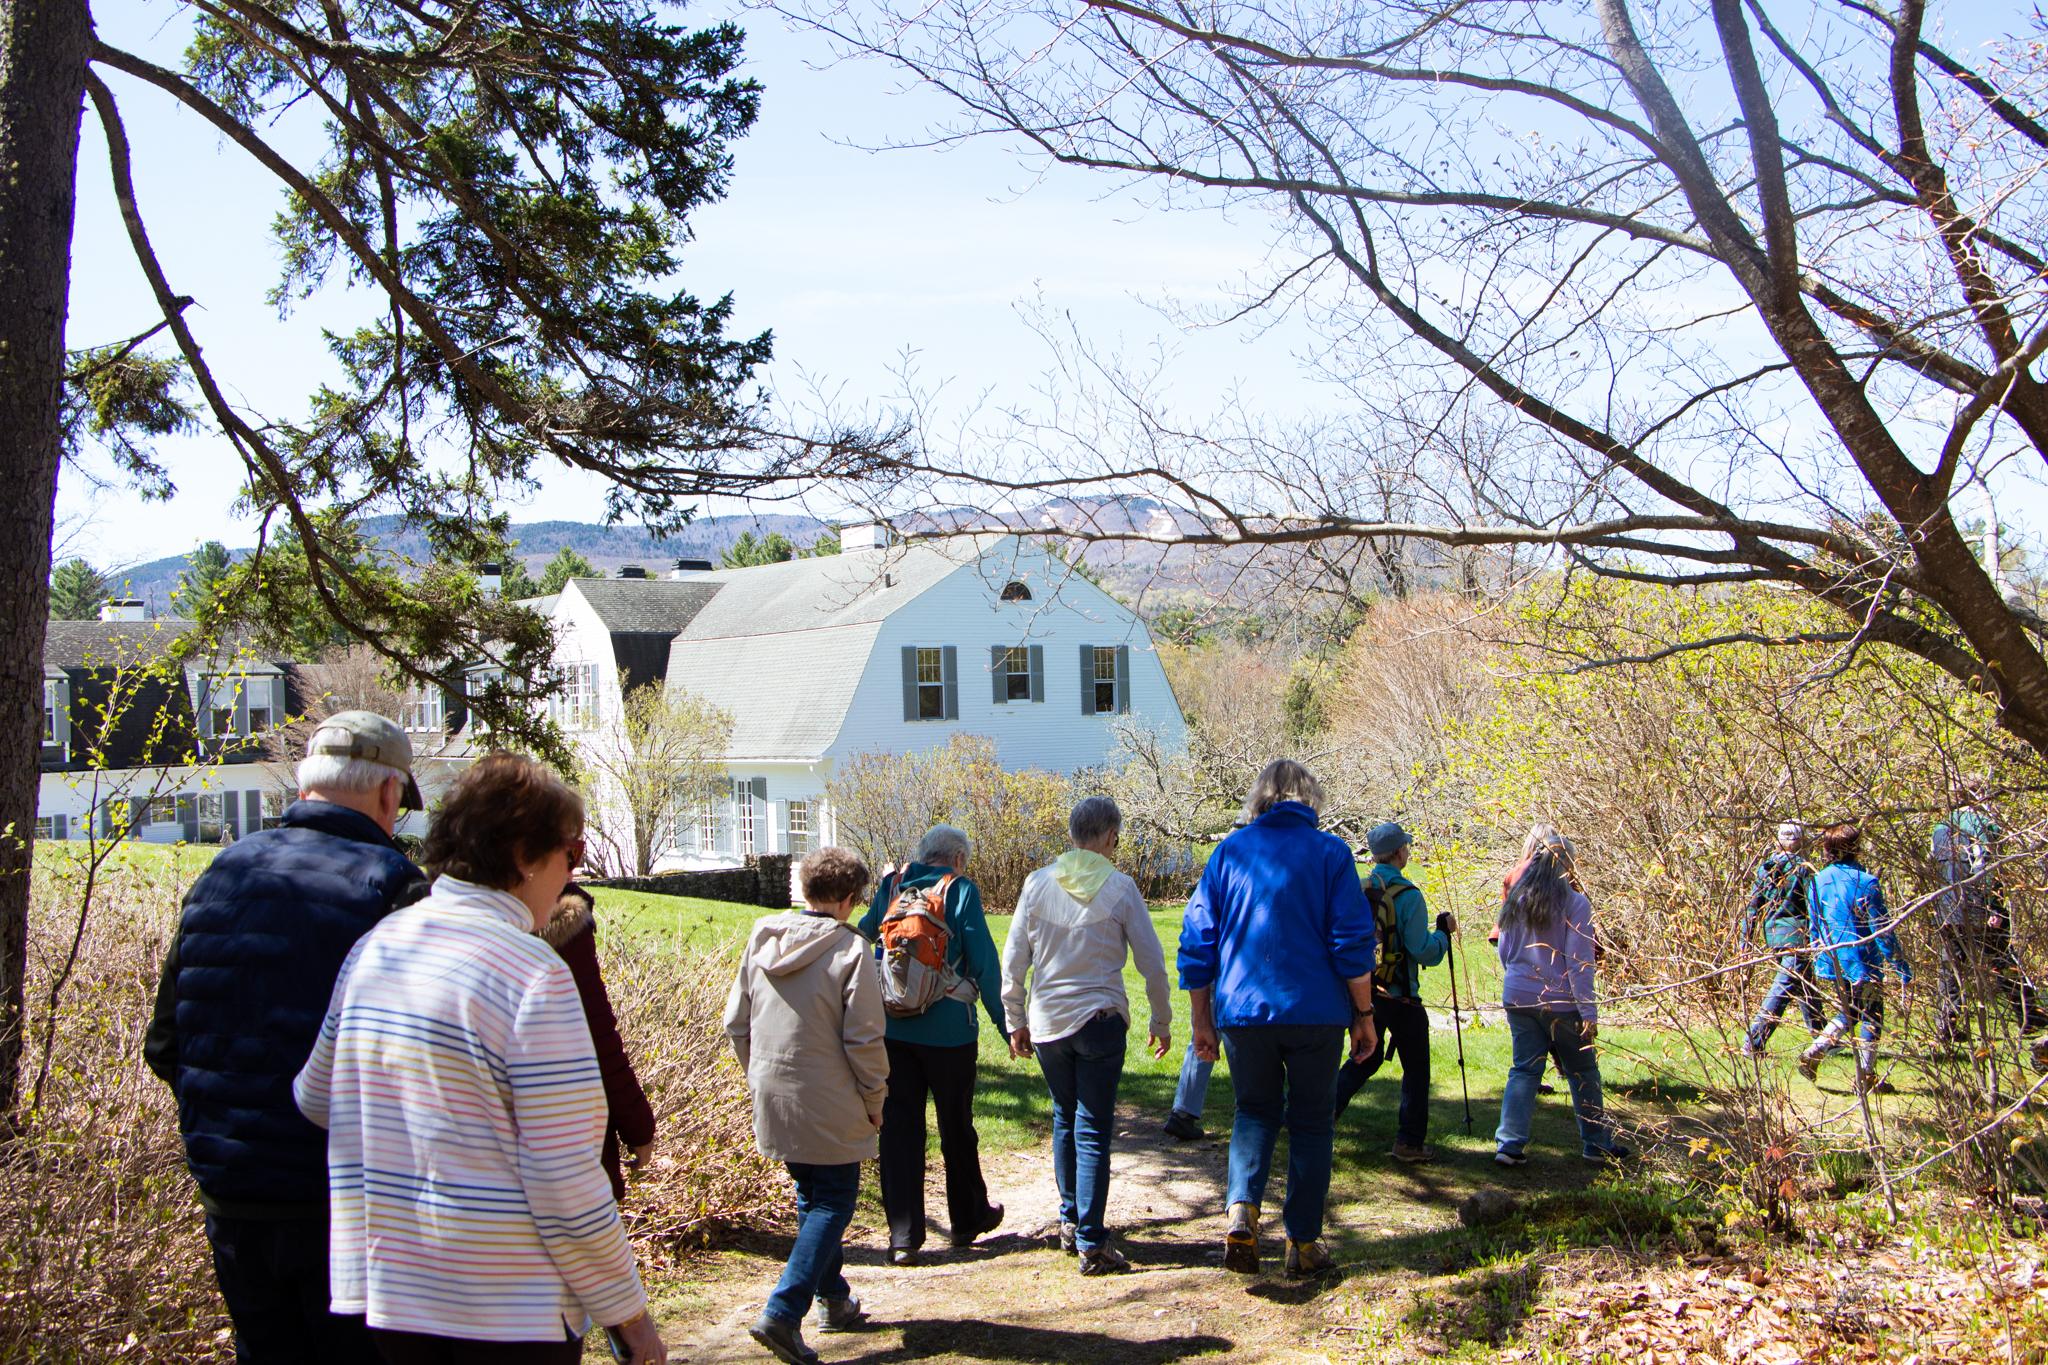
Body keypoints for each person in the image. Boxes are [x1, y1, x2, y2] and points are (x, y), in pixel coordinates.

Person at [293, 753, 666, 1365]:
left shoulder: (377, 946)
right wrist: (630, 1318)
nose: (572, 874)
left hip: (390, 1294)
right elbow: (567, 1181)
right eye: (570, 855)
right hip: (506, 1311)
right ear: (524, 855)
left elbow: (316, 1098)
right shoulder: (532, 973)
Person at [144, 711, 430, 1364]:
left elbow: (164, 1045)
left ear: (306, 786)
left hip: (231, 1185)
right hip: (345, 1203)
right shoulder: (394, 889)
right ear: (390, 794)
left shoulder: (219, 875)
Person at [1177, 759, 1376, 1279]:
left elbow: (1197, 941)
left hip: (1243, 1011)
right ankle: (1303, 1242)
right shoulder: (1332, 854)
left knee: (1255, 1112)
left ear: (1259, 800)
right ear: (1310, 800)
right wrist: (1365, 1014)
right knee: (1311, 1123)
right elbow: (1352, 943)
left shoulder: (1229, 853)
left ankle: (1242, 1209)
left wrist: (1203, 1019)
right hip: (1316, 1013)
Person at [725, 847, 890, 1365]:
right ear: (846, 900)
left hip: (775, 1089)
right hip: (831, 1095)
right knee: (833, 1201)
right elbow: (864, 1040)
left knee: (810, 1194)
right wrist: (875, 1099)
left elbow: (737, 1021)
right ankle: (783, 1310)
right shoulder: (851, 951)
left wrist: (758, 1075)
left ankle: (833, 1298)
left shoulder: (762, 938)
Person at [1001, 796, 1173, 1274]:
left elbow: (1014, 959)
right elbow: (1152, 962)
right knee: (1093, 1126)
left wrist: (1015, 1018)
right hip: (1098, 1017)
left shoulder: (1037, 884)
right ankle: (1092, 1242)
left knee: (1064, 1116)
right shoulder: (1119, 887)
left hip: (1050, 1021)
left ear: (1073, 834)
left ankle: (1070, 1221)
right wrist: (1161, 1020)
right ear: (1110, 836)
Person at [857, 824, 1008, 1265]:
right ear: (958, 860)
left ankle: (903, 1237)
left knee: (899, 1131)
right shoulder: (960, 890)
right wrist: (1007, 1025)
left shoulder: (892, 885)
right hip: (950, 1035)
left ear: (923, 854)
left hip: (894, 1032)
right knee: (956, 1126)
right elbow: (983, 963)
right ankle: (967, 1219)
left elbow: (865, 933)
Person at [1493, 831, 1628, 1167]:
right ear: (1565, 866)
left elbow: (1506, 951)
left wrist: (1517, 981)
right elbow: (1579, 962)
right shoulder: (1575, 903)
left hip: (1520, 996)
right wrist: (1588, 1011)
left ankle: (1509, 1145)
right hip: (1561, 1001)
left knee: (1524, 1070)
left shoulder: (1518, 900)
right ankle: (1596, 1143)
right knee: (1583, 1071)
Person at [1333, 822, 1453, 1163]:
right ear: (1400, 852)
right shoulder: (1409, 895)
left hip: (1365, 990)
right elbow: (1422, 950)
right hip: (1401, 995)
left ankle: (1322, 1114)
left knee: (1363, 1058)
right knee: (1416, 1069)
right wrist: (1443, 935)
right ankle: (1409, 1142)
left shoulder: (1359, 888)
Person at [544, 882, 658, 1202]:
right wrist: (638, 1126)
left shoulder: (434, 918)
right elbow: (597, 1036)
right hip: (567, 1146)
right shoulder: (563, 925)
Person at [1798, 822, 1913, 1094]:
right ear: (1856, 848)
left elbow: (1815, 925)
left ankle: (1818, 1049)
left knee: (1851, 1009)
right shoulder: (1867, 882)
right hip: (1862, 958)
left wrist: (1821, 957)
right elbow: (1881, 929)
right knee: (1871, 1014)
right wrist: (1901, 966)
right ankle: (1865, 1076)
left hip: (1833, 957)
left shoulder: (1818, 881)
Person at [1931, 790, 2044, 1043]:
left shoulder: (1939, 828)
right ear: (1978, 797)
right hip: (1977, 906)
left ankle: (1946, 1022)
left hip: (1947, 907)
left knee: (1951, 966)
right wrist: (1993, 906)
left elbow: (1935, 866)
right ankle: (2031, 1017)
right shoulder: (1982, 825)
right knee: (2003, 960)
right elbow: (1986, 867)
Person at [1741, 821, 1826, 1055]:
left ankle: (1824, 1038)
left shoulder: (1765, 868)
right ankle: (1754, 1041)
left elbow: (1753, 906)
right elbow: (1814, 906)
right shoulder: (1803, 869)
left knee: (1804, 985)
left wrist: (1745, 940)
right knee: (1784, 986)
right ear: (1801, 841)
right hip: (1797, 937)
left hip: (1774, 936)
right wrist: (1820, 937)